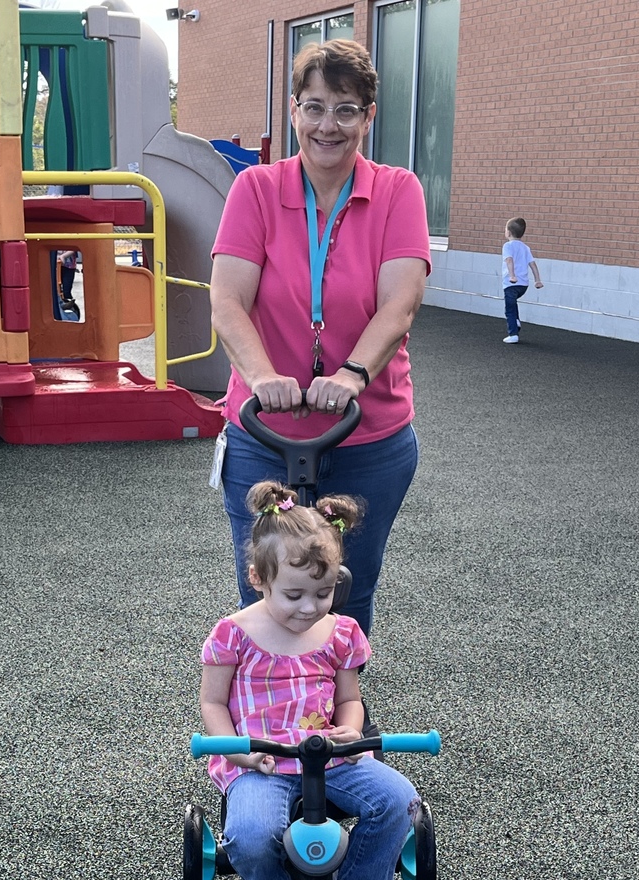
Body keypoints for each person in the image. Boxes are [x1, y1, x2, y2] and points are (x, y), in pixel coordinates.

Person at [209, 38, 431, 640]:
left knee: (345, 587)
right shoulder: (256, 189)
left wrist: (351, 376)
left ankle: (339, 719)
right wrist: (261, 379)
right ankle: (269, 719)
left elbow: (399, 304)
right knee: (269, 586)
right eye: (313, 107)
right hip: (263, 433)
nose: (326, 126)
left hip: (368, 434)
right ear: (292, 110)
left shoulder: (396, 191)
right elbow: (228, 301)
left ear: (368, 116)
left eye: (345, 109)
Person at [199, 481, 420, 880]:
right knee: (250, 834)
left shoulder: (340, 632)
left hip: (327, 753)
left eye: (322, 593)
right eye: (294, 595)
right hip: (262, 760)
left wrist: (351, 729)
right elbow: (213, 702)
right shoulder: (232, 634)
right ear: (259, 579)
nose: (309, 608)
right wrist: (235, 753)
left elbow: (349, 698)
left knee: (398, 799)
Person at [501, 217, 543, 344]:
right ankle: (516, 321)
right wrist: (537, 280)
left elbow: (509, 260)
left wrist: (512, 276)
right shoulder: (525, 247)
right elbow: (533, 264)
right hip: (523, 286)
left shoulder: (507, 246)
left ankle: (513, 334)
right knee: (513, 304)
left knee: (509, 309)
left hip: (511, 284)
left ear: (508, 233)